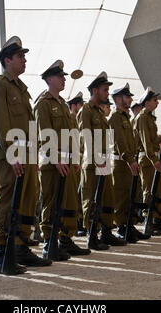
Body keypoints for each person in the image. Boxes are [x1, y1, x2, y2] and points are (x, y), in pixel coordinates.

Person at [0, 36, 51, 274]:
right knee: (7, 201)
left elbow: (30, 126)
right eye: (20, 57)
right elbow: (2, 124)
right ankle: (1, 253)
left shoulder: (22, 89)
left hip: (27, 154)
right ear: (7, 60)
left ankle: (20, 248)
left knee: (26, 201)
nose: (24, 60)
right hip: (11, 155)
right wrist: (13, 154)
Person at [34, 60, 91, 260]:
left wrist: (75, 158)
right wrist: (57, 159)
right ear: (49, 79)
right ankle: (49, 242)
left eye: (64, 76)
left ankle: (65, 239)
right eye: (60, 76)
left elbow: (73, 134)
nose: (64, 79)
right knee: (51, 202)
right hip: (52, 163)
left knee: (67, 202)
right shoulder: (43, 104)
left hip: (67, 162)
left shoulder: (63, 106)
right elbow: (44, 134)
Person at [77, 72, 126, 250]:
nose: (107, 93)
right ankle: (92, 234)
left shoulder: (99, 112)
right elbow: (86, 137)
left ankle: (106, 231)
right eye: (105, 90)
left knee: (106, 198)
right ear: (95, 90)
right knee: (91, 199)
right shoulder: (86, 111)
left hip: (103, 163)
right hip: (92, 163)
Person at [108, 83, 150, 243]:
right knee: (121, 197)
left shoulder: (125, 116)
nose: (131, 99)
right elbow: (119, 141)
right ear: (118, 99)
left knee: (130, 195)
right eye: (128, 96)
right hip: (120, 163)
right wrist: (130, 159)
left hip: (128, 161)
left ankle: (129, 225)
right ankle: (121, 228)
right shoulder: (115, 117)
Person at [134, 87, 161, 236]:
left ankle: (158, 219)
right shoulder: (143, 117)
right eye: (154, 100)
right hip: (147, 158)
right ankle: (149, 220)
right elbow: (146, 141)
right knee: (149, 190)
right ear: (146, 102)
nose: (157, 102)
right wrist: (153, 159)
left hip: (151, 157)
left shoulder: (149, 117)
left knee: (159, 189)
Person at [66, 92, 87, 237]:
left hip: (77, 160)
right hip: (71, 160)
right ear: (74, 105)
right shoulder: (69, 119)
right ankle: (78, 222)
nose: (82, 107)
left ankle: (79, 222)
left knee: (77, 194)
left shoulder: (75, 120)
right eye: (80, 105)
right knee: (74, 194)